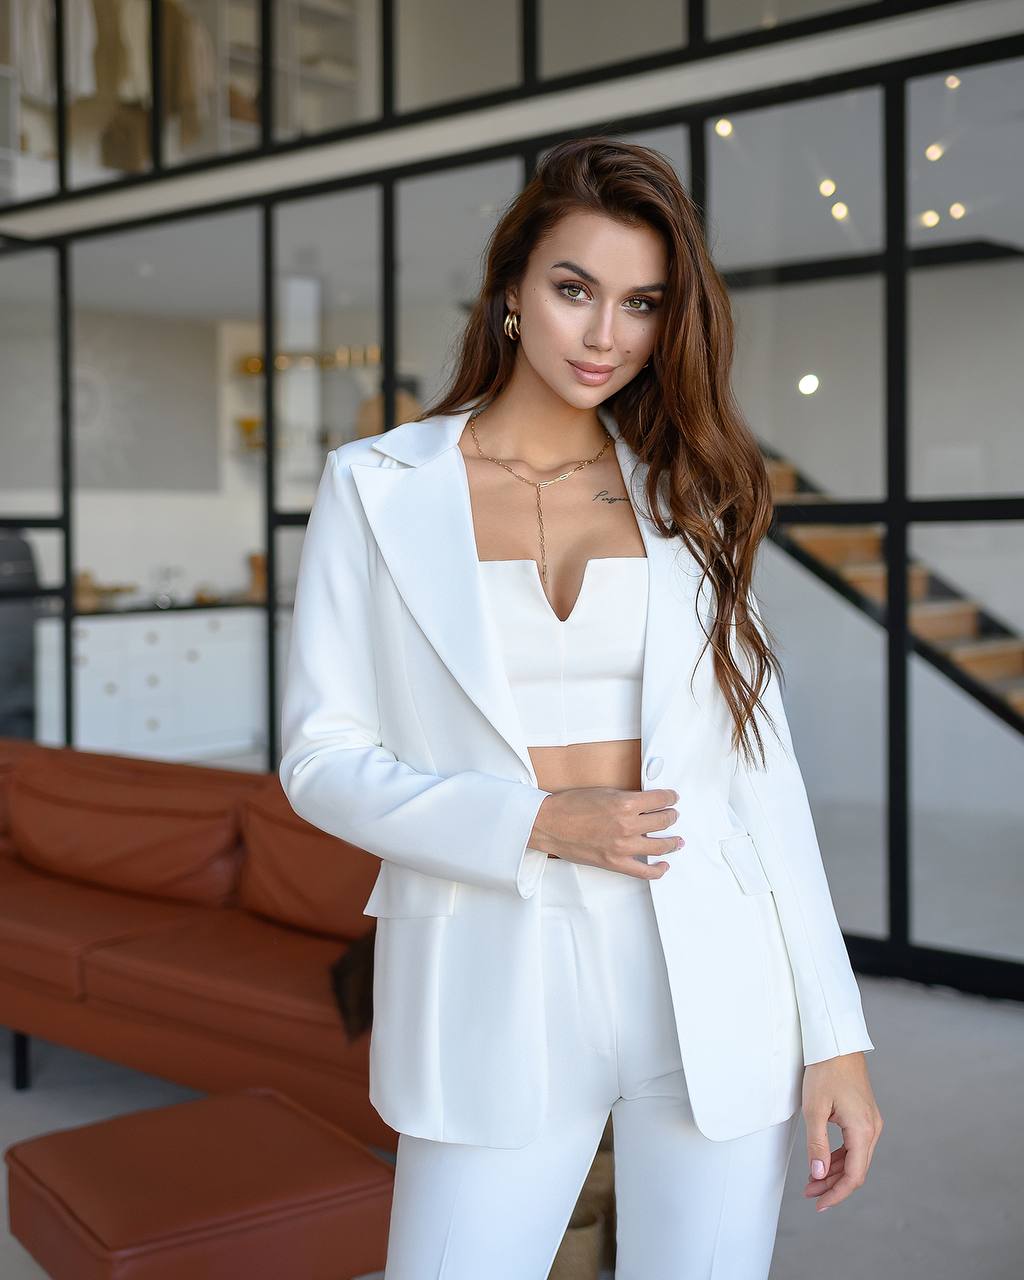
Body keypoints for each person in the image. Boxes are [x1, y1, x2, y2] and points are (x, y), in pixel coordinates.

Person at [279, 136, 884, 1279]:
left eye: (641, 303)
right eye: (574, 289)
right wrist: (537, 820)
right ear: (511, 290)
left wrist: (836, 1036)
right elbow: (320, 757)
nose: (605, 333)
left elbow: (762, 782)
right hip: (487, 961)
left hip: (712, 965)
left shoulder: (688, 490)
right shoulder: (377, 485)